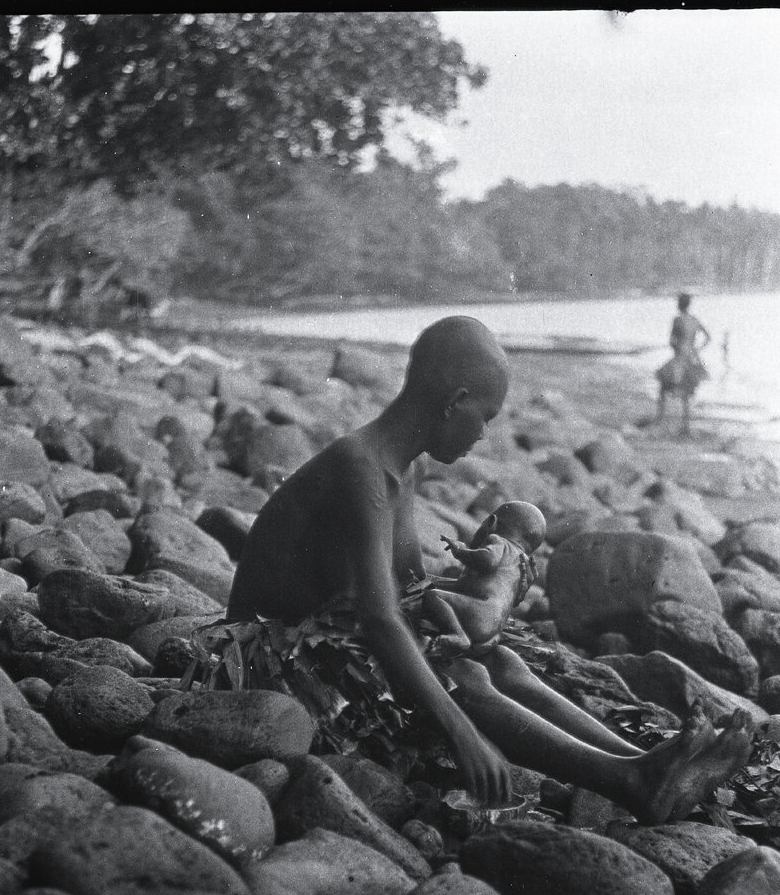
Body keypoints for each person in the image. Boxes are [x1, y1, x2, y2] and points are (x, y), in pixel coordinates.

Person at [226, 316, 752, 820]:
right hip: (268, 657)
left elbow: (410, 587)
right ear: (455, 403)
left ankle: (643, 760)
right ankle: (632, 784)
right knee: (468, 675)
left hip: (323, 629)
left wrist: (487, 588)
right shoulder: (361, 467)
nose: (483, 435)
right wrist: (464, 734)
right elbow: (381, 619)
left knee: (501, 662)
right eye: (486, 416)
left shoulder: (398, 468)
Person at [411, 500, 547, 656]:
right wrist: (428, 580)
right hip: (491, 631)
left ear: (491, 522)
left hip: (478, 615)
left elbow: (488, 560)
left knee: (433, 595)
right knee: (438, 590)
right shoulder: (520, 564)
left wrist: (460, 551)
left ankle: (457, 634)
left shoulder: (498, 541)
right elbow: (463, 587)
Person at [655, 293, 712, 436]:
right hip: (692, 358)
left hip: (680, 358)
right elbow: (708, 338)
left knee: (663, 387)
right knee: (687, 392)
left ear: (680, 304)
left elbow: (671, 341)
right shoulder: (694, 320)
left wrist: (677, 347)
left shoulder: (677, 320)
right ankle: (686, 426)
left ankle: (660, 420)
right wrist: (696, 349)